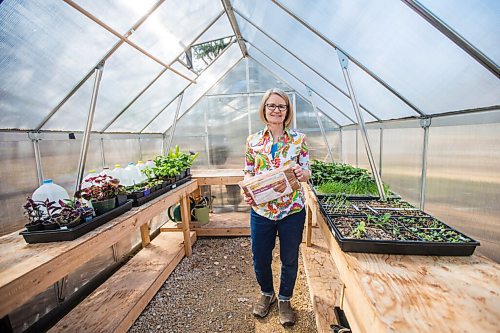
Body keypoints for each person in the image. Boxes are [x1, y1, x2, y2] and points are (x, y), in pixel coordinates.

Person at [243, 88, 310, 326]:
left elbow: (307, 170)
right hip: (262, 211)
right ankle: (266, 293)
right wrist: (248, 193)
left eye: (281, 106)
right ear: (264, 109)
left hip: (292, 210)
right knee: (260, 257)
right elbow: (249, 171)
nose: (276, 110)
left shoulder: (298, 140)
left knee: (289, 258)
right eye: (272, 105)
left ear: (287, 111)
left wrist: (302, 173)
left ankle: (284, 300)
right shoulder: (253, 141)